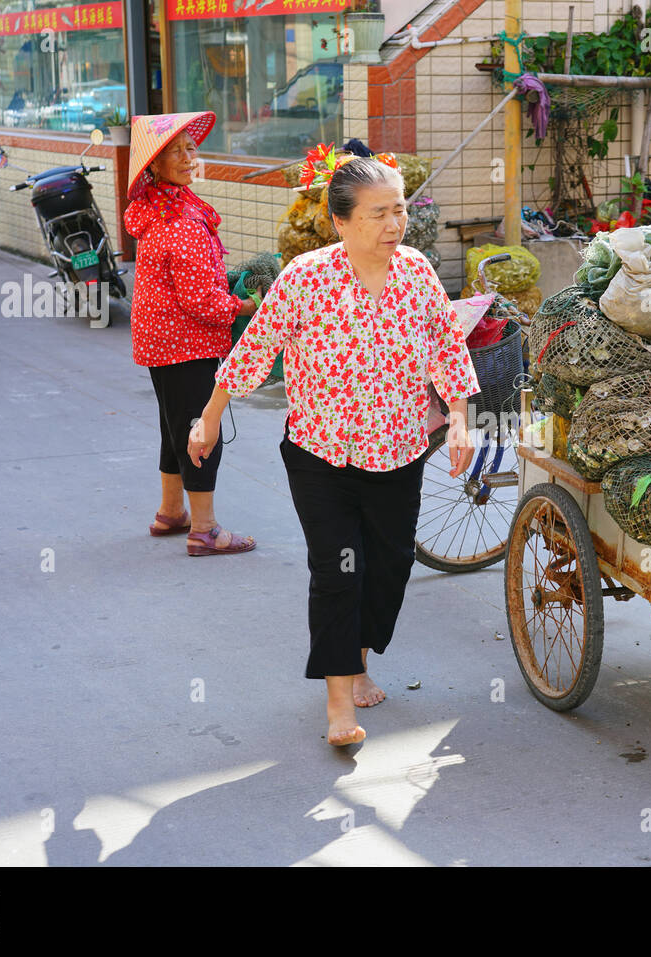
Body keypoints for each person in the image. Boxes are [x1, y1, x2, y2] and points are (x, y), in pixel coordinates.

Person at [188, 148, 479, 746]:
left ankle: (360, 653)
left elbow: (448, 350)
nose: (394, 224)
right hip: (321, 455)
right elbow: (255, 349)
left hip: (398, 453)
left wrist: (458, 419)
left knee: (389, 566)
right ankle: (338, 702)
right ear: (340, 220)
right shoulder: (304, 278)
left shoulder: (418, 273)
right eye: (378, 213)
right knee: (339, 570)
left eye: (398, 210)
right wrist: (209, 418)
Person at [124, 111, 257, 556]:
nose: (186, 157)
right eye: (173, 151)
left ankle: (171, 512)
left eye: (189, 148)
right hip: (187, 342)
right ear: (153, 165)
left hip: (158, 341)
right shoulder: (181, 221)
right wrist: (243, 306)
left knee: (174, 426)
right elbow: (202, 301)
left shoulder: (154, 208)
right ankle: (205, 529)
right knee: (202, 430)